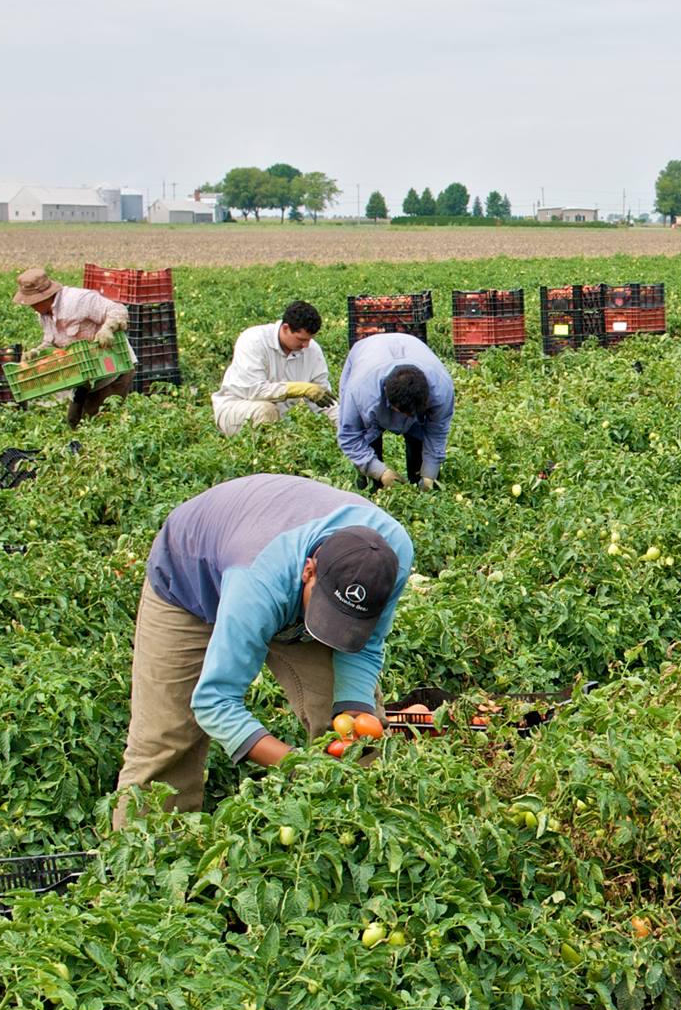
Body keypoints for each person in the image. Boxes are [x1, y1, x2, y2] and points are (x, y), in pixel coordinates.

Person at [112, 473, 415, 827]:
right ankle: (145, 863)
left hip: (270, 565)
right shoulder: (259, 583)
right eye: (328, 614)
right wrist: (293, 764)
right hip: (189, 582)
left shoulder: (391, 556)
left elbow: (366, 646)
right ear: (309, 572)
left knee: (357, 741)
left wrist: (353, 713)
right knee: (165, 741)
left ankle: (355, 837)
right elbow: (215, 700)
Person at [14, 267, 132, 428]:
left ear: (44, 296)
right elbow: (52, 341)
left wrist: (108, 328)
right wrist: (37, 352)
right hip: (83, 375)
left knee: (97, 425)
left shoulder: (79, 300)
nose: (30, 306)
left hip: (111, 368)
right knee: (73, 423)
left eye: (32, 301)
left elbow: (117, 309)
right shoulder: (44, 314)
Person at [337, 331, 454, 491]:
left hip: (412, 348)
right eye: (402, 412)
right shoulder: (361, 392)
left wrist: (429, 474)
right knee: (370, 451)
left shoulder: (441, 390)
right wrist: (378, 471)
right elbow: (350, 437)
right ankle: (373, 491)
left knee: (419, 446)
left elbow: (437, 431)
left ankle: (419, 483)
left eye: (412, 414)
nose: (405, 418)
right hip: (367, 355)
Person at [212, 300, 338, 436]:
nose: (306, 345)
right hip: (237, 407)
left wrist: (344, 423)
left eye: (309, 339)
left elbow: (323, 400)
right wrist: (300, 389)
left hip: (280, 418)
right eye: (301, 339)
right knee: (266, 410)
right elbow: (254, 390)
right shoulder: (254, 340)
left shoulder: (312, 350)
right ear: (285, 328)